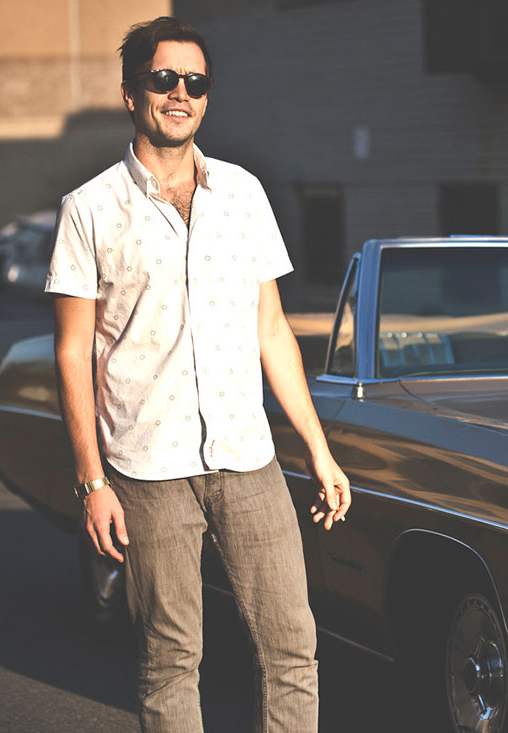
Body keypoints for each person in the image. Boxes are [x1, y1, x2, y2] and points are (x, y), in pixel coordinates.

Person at [45, 16, 349, 732]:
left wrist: (318, 447)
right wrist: (91, 481)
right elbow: (73, 352)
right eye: (164, 78)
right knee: (171, 658)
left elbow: (271, 328)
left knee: (292, 646)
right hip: (148, 468)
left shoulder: (244, 193)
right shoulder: (89, 210)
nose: (180, 93)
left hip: (247, 456)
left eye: (196, 81)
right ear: (132, 92)